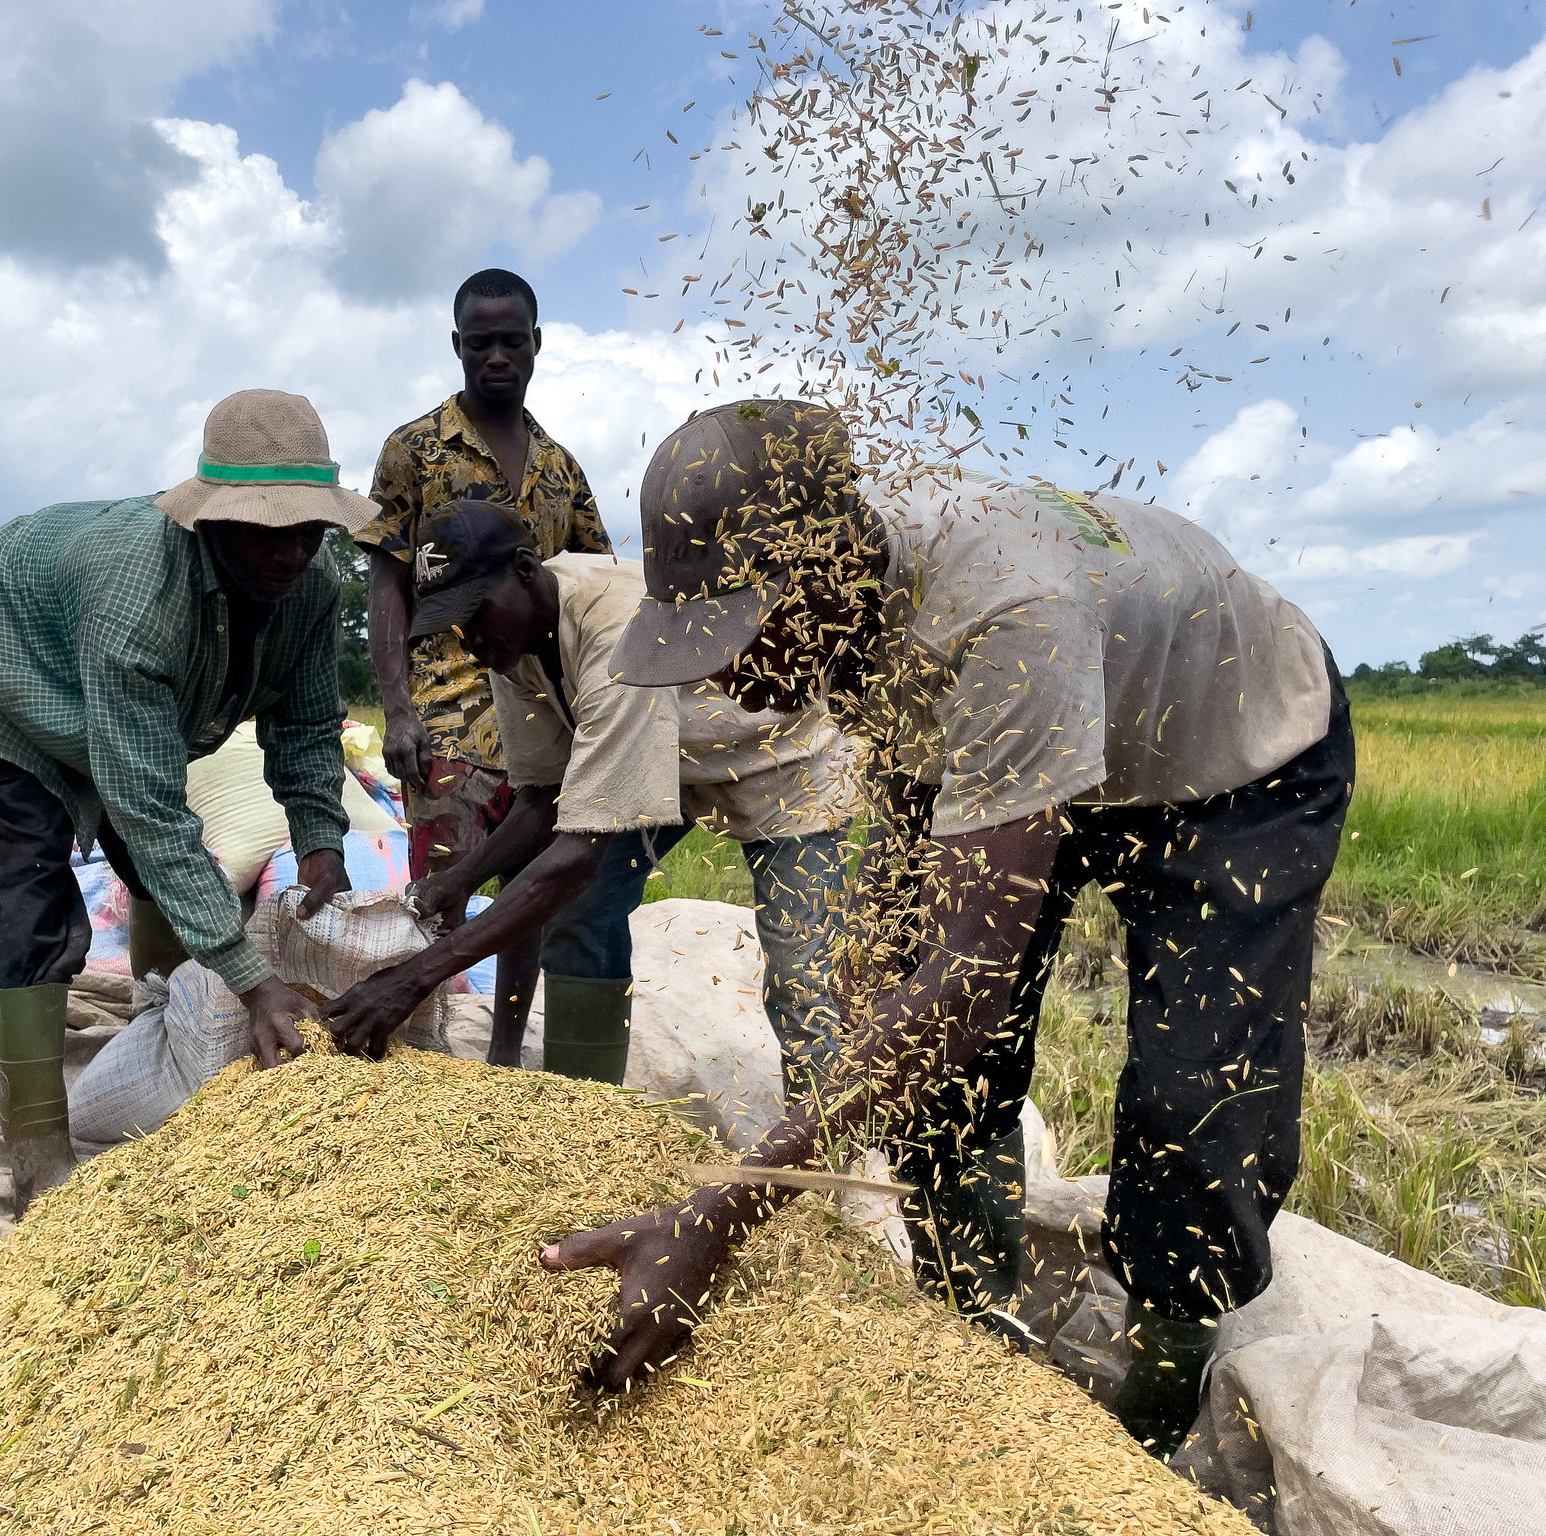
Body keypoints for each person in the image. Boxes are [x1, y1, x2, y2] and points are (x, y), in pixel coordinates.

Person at [537, 400, 1352, 1457]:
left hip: (1229, 752)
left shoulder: (1003, 614)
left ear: (820, 573)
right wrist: (889, 992)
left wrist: (717, 1215)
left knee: (1194, 1092)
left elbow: (962, 982)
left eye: (737, 635)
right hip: (1028, 731)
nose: (723, 676)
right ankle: (969, 1335)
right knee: (917, 1044)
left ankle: (1152, 1400)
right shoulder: (850, 594)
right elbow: (926, 992)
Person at [0, 389, 369, 1208]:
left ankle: (161, 1035)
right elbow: (153, 812)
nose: (292, 553)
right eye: (271, 532)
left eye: (311, 531)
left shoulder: (308, 589)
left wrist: (321, 854)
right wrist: (252, 981)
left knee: (166, 847)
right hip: (4, 651)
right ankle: (38, 1153)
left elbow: (306, 730)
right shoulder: (141, 593)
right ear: (212, 521)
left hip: (110, 687)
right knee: (34, 896)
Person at [323, 498, 852, 1092]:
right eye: (455, 625)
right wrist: (458, 880)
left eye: (477, 613)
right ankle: (587, 1113)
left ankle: (826, 1144)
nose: (471, 640)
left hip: (778, 763)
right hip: (664, 765)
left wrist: (414, 979)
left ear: (525, 571)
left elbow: (576, 852)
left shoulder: (615, 631)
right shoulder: (512, 643)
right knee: (580, 918)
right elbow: (541, 799)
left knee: (801, 969)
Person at [357, 268, 609, 1066]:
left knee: (529, 894)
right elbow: (387, 581)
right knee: (443, 891)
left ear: (536, 344)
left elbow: (594, 578)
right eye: (479, 343)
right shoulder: (414, 450)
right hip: (447, 714)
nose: (495, 356)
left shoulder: (561, 466)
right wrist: (397, 709)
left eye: (511, 341)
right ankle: (419, 1052)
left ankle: (503, 1056)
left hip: (539, 713)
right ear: (456, 346)